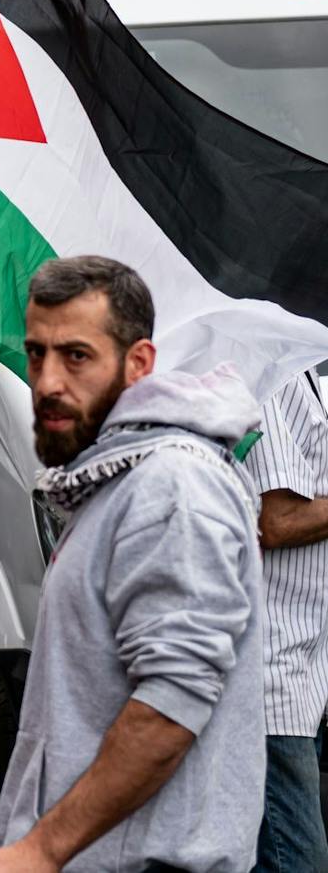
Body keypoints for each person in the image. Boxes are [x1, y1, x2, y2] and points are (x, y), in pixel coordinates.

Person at [0, 256, 263, 873]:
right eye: (36, 354)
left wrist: (42, 849)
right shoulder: (126, 475)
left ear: (139, 363)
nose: (47, 381)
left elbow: (171, 703)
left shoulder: (172, 488)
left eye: (76, 356)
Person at [243, 370, 328, 872]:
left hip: (303, 670)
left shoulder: (305, 369)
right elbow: (275, 520)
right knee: (297, 860)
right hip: (270, 676)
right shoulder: (266, 372)